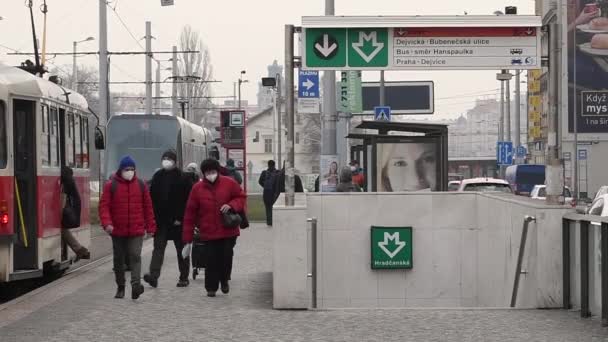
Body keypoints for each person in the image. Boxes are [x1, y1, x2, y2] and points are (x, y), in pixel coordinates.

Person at [182, 159, 246, 297]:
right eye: (207, 172)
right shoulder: (197, 189)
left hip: (227, 230)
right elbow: (190, 213)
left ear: (217, 171)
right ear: (203, 174)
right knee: (210, 259)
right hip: (208, 231)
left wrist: (231, 205)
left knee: (226, 257)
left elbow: (241, 197)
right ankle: (211, 287)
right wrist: (187, 238)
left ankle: (224, 280)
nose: (211, 175)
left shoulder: (229, 183)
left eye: (213, 172)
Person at [99, 156, 157, 300]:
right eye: (127, 169)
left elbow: (148, 207)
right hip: (117, 230)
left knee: (135, 256)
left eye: (132, 169)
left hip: (136, 230)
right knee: (119, 260)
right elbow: (104, 206)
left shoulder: (141, 185)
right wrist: (107, 223)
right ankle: (120, 286)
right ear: (121, 170)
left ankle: (135, 285)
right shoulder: (111, 186)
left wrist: (150, 227)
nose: (129, 172)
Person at [143, 150, 194, 289]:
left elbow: (189, 201)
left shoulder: (183, 177)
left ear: (175, 161)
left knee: (181, 250)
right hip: (161, 221)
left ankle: (184, 277)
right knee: (158, 249)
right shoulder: (158, 176)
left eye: (169, 159)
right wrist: (152, 219)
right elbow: (152, 199)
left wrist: (181, 218)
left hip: (178, 222)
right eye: (164, 158)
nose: (166, 161)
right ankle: (153, 276)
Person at [60, 166, 90, 261]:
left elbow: (63, 201)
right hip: (73, 210)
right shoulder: (71, 182)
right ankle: (79, 250)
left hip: (69, 212)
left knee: (62, 229)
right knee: (62, 230)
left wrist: (59, 213)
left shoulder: (66, 184)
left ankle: (80, 250)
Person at [258, 160, 279, 226]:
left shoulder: (264, 173)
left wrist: (264, 186)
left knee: (268, 208)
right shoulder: (277, 173)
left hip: (266, 193)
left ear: (268, 165)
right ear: (274, 165)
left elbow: (260, 181)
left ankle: (269, 222)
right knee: (274, 207)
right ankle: (274, 221)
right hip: (274, 193)